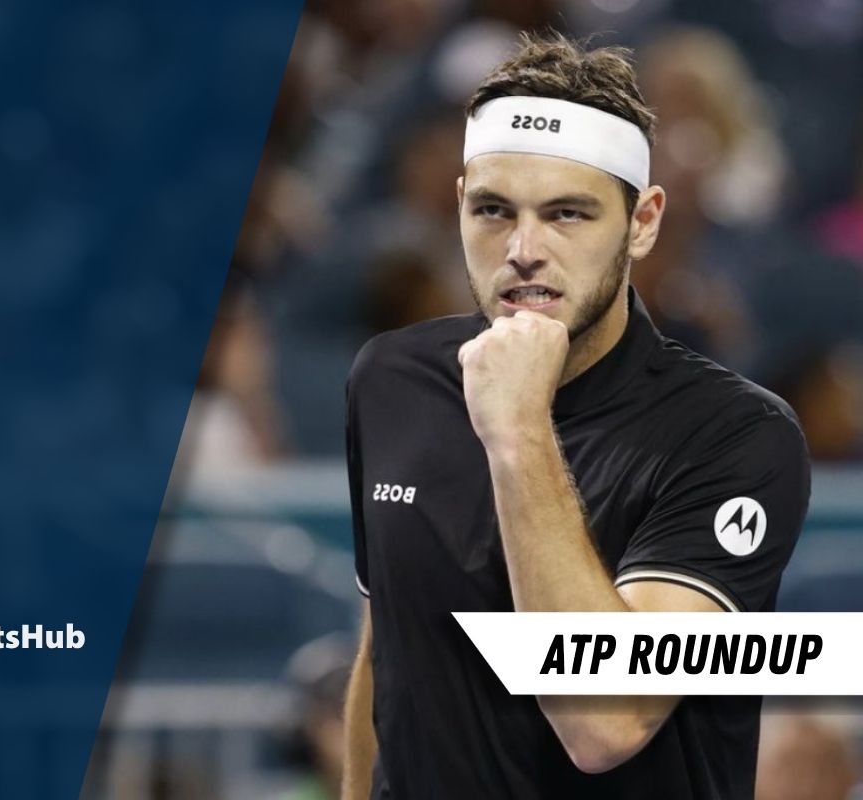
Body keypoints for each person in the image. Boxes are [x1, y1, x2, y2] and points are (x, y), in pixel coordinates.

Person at [342, 32, 810, 800]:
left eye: (568, 215)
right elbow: (387, 645)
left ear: (643, 221)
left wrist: (518, 428)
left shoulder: (736, 436)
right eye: (494, 210)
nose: (523, 250)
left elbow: (607, 718)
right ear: (458, 205)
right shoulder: (390, 377)